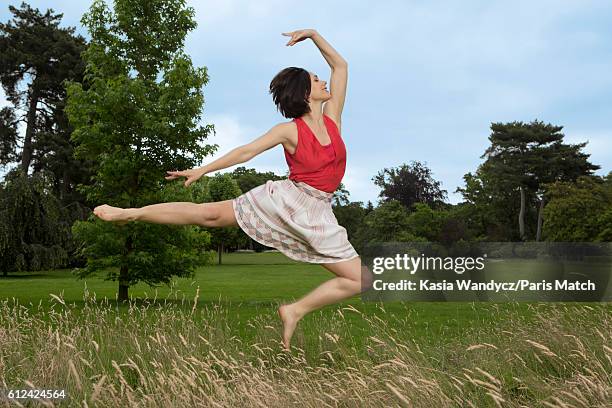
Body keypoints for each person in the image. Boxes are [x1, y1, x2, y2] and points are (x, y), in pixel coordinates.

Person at [93, 28, 373, 350]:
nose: (323, 81)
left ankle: (294, 310)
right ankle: (130, 213)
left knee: (361, 279)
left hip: (319, 211)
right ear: (305, 93)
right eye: (315, 79)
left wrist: (312, 34)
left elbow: (341, 66)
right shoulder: (289, 131)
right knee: (209, 215)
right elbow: (245, 152)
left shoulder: (333, 118)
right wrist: (202, 170)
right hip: (286, 200)